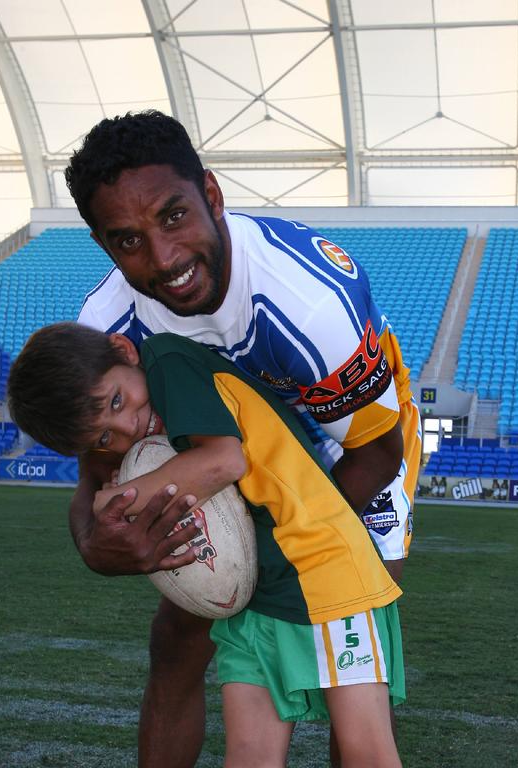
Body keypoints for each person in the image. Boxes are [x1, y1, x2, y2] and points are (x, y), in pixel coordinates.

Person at [64, 109, 423, 767]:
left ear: (212, 195)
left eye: (173, 216)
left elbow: (377, 451)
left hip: (354, 450)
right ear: (103, 246)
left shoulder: (310, 304)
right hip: (226, 469)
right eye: (127, 239)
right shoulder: (107, 328)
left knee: (348, 665)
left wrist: (273, 553)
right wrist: (95, 541)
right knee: (178, 638)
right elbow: (96, 475)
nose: (163, 257)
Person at [7, 321, 405, 768]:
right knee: (250, 756)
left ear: (124, 351)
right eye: (104, 438)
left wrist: (119, 500)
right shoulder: (154, 416)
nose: (127, 427)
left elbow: (224, 459)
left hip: (323, 569)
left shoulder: (167, 362)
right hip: (255, 591)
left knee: (365, 752)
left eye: (117, 401)